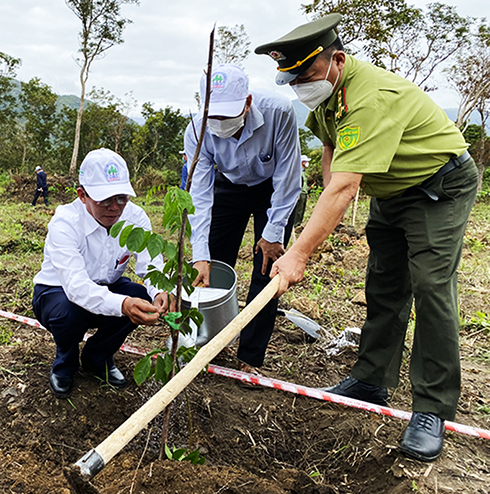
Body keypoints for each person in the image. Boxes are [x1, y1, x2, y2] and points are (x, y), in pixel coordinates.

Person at [256, 14, 478, 462]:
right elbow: (331, 153)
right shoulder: (326, 94)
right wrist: (329, 207)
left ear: (336, 59)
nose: (301, 85)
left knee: (431, 287)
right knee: (383, 284)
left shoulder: (370, 96)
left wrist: (299, 252)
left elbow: (344, 186)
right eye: (293, 78)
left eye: (307, 74)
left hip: (438, 187)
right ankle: (372, 379)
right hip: (390, 191)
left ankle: (432, 407)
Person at [185, 63, 302, 372]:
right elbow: (199, 194)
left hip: (272, 189)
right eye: (215, 116)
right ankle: (205, 343)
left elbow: (289, 177)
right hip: (228, 188)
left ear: (247, 102)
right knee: (211, 267)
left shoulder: (279, 112)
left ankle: (249, 357)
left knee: (267, 271)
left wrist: (274, 231)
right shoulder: (197, 130)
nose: (220, 123)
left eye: (228, 115)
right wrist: (200, 254)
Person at [32, 148, 169, 399]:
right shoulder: (65, 222)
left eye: (121, 198)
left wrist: (160, 290)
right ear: (82, 195)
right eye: (104, 200)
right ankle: (66, 361)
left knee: (138, 292)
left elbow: (149, 263)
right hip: (57, 293)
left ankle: (98, 357)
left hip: (106, 288)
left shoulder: (135, 217)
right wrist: (124, 304)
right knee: (68, 313)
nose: (115, 207)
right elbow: (76, 286)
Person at [294, 155, 310, 228]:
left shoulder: (303, 172)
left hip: (304, 193)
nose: (307, 163)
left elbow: (305, 184)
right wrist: (298, 194)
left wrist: (307, 193)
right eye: (305, 161)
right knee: (298, 210)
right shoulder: (298, 172)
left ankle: (299, 223)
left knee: (302, 210)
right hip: (300, 193)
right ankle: (295, 224)